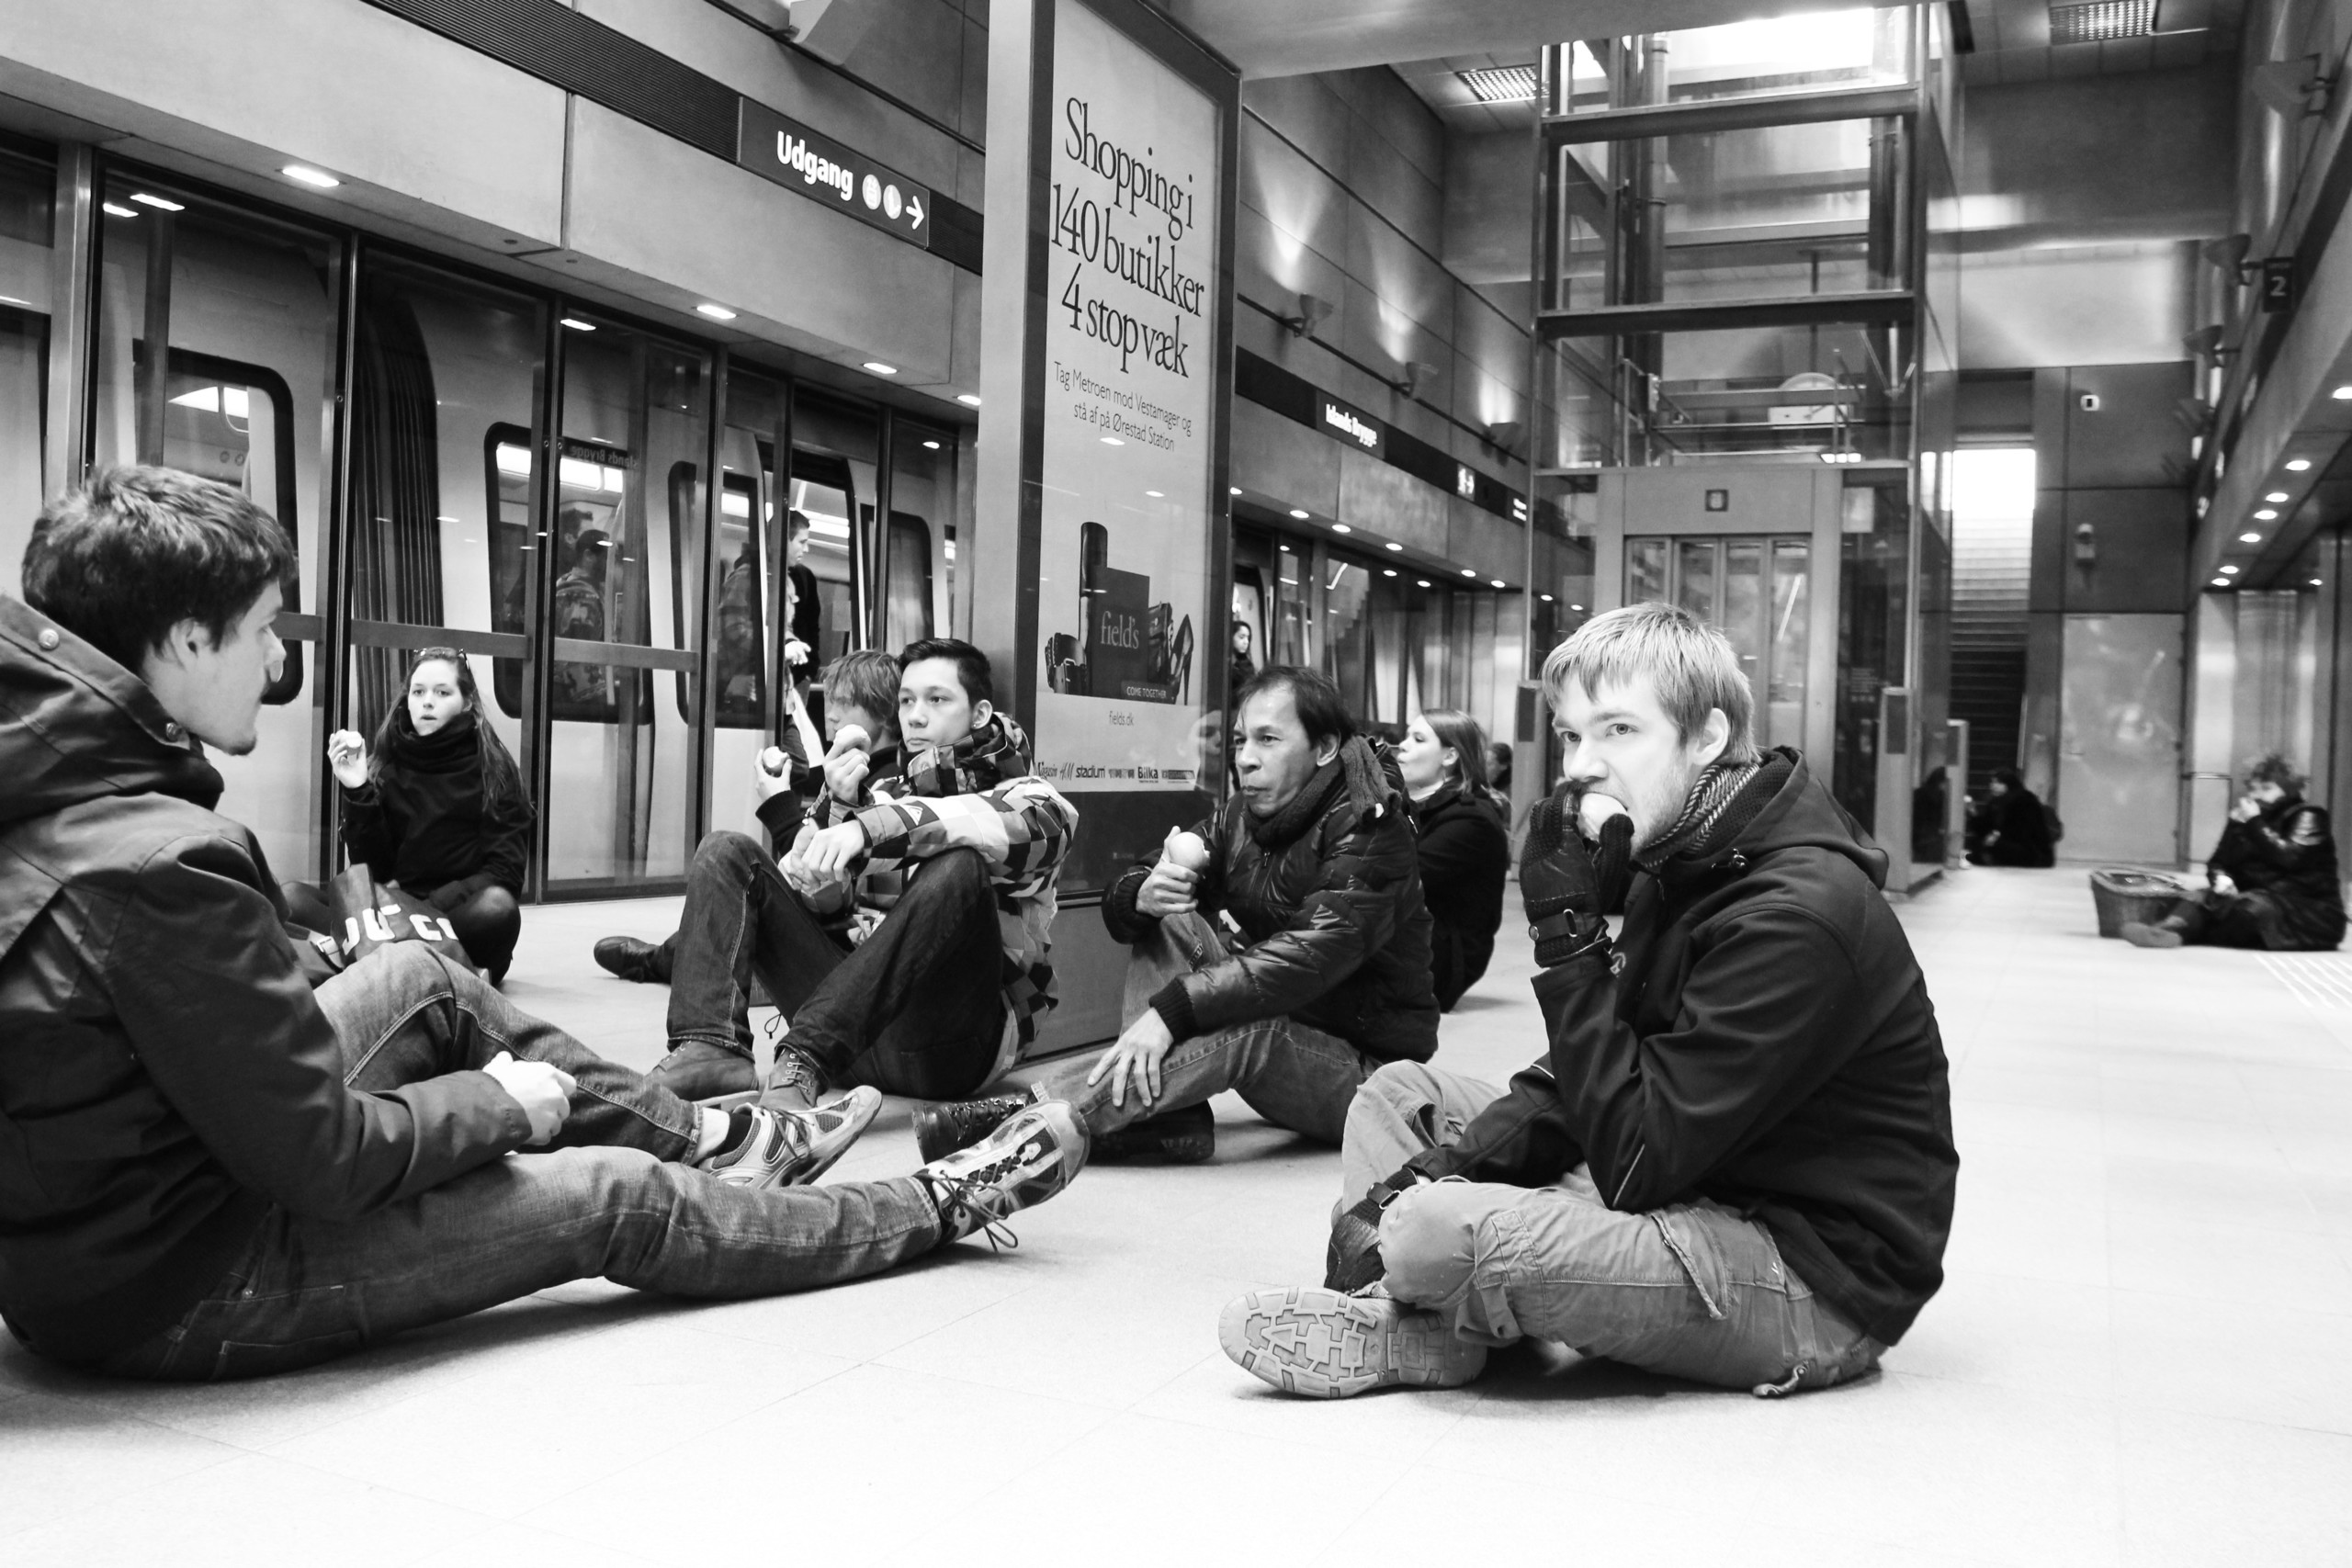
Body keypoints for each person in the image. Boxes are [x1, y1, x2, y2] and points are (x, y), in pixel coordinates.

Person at [0, 467, 1088, 1382]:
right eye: (260, 631)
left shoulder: (57, 788)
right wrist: (501, 1108)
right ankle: (932, 1201)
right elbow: (319, 1160)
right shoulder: (158, 856)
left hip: (100, 1230)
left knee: (422, 980)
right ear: (186, 642)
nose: (279, 660)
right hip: (178, 1276)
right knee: (606, 1196)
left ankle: (729, 1137)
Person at [1219, 603, 1956, 1401]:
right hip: (1689, 1170)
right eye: (1572, 735)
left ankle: (1420, 1310)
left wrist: (1565, 933)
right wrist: (1417, 1176)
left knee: (1430, 1228)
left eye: (1619, 732)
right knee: (1397, 1096)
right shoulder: (1684, 853)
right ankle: (1431, 1321)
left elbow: (1637, 1159)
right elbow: (1588, 1076)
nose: (1582, 765)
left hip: (1799, 1267)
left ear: (1706, 737)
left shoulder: (1794, 915)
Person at [914, 666, 1440, 1168]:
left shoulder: (1372, 828)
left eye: (1268, 740)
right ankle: (1168, 1114)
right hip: (1292, 1017)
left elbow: (1309, 955)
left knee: (1252, 1030)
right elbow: (1146, 878)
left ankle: (1024, 1121)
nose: (1246, 760)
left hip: (1370, 1075)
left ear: (1324, 748)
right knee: (1169, 911)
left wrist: (1171, 1012)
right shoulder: (1244, 813)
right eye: (1240, 741)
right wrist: (1140, 893)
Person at [613, 638, 1079, 1110]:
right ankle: (709, 1048)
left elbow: (980, 825)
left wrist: (862, 830)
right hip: (855, 1038)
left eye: (937, 700)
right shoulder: (877, 793)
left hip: (951, 1051)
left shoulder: (1034, 799)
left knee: (959, 865)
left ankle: (804, 1058)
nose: (916, 716)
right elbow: (830, 918)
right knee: (725, 852)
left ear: (978, 715)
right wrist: (828, 843)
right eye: (906, 701)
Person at [592, 649, 904, 987]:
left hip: (846, 950)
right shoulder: (850, 774)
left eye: (845, 703)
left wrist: (779, 806)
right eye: (829, 701)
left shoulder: (890, 786)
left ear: (886, 713)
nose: (831, 715)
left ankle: (663, 961)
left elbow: (819, 880)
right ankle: (670, 958)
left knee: (733, 864)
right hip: (838, 935)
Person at [282, 648, 531, 982]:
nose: (427, 702)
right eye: (418, 692)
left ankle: (375, 960)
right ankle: (422, 967)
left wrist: (427, 906)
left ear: (467, 703)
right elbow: (372, 869)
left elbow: (504, 874)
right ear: (408, 700)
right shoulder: (386, 765)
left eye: (442, 693)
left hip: (451, 916)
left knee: (497, 909)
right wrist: (357, 789)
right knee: (291, 898)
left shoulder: (495, 772)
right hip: (386, 913)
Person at [2122, 751, 2345, 951]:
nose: (2257, 796)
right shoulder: (2245, 818)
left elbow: (2289, 857)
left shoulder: (2308, 816)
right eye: (2253, 788)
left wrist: (2254, 822)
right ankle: (2167, 931)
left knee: (2249, 910)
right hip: (2253, 896)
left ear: (2288, 789)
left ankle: (2184, 934)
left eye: (2267, 789)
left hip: (2306, 911)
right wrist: (2221, 878)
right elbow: (2218, 861)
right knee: (2196, 897)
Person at [1395, 707, 1510, 1010]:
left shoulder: (1471, 820)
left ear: (1450, 756)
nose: (1403, 745)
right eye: (1406, 736)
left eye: (1418, 739)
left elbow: (1396, 879)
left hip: (1443, 961)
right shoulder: (1412, 808)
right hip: (1412, 940)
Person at [1964, 766, 2054, 867]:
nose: (1993, 786)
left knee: (1998, 847)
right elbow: (1987, 825)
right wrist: (1973, 812)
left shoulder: (2024, 800)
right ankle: (1989, 856)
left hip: (2031, 850)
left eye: (1998, 783)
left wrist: (1997, 836)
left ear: (2008, 785)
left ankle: (1990, 857)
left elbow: (2023, 831)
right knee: (1977, 842)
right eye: (1992, 783)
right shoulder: (1997, 802)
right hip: (2009, 842)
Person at [1229, 618, 1256, 689]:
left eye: (1248, 638)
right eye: (1242, 637)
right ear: (1230, 637)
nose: (1246, 642)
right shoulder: (1223, 664)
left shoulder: (1247, 664)